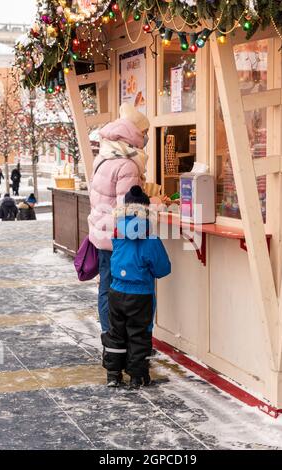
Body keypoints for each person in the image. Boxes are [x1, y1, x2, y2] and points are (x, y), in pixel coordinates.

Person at [88, 103, 150, 334]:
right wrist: (155, 203)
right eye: (143, 133)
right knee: (128, 291)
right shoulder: (127, 165)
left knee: (106, 287)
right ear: (133, 134)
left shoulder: (103, 157)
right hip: (119, 238)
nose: (145, 139)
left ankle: (109, 338)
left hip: (101, 234)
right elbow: (130, 207)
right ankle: (124, 341)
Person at [102, 186, 171, 388]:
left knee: (116, 333)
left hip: (116, 292)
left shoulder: (118, 235)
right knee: (139, 335)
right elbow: (162, 269)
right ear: (147, 212)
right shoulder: (150, 240)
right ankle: (137, 376)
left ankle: (113, 375)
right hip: (141, 295)